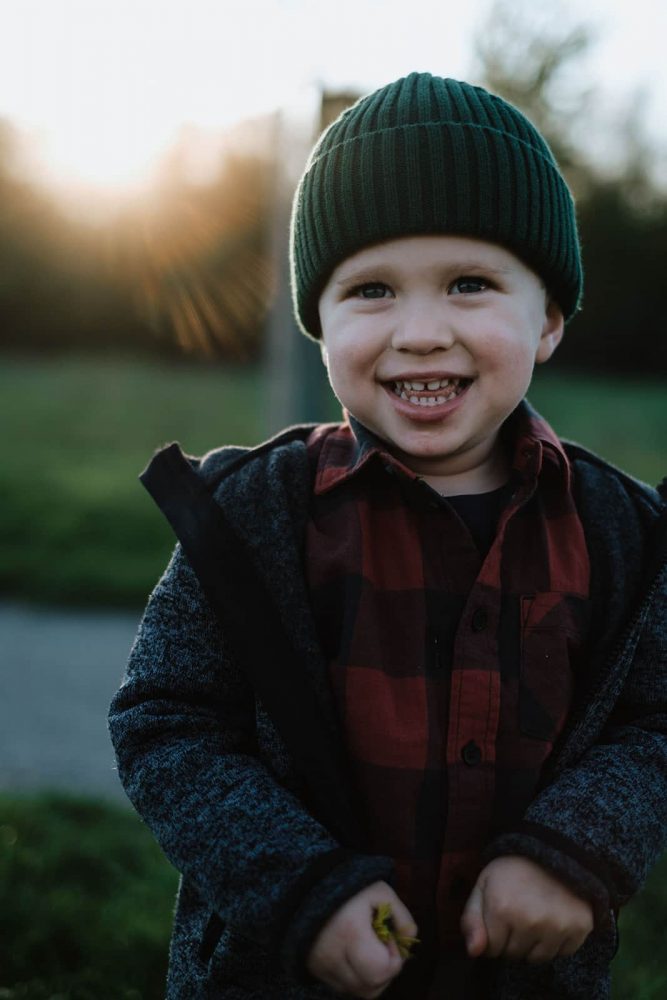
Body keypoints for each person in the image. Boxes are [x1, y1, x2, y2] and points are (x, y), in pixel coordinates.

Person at [108, 72, 667, 1000]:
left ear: (550, 320)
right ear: (317, 325)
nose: (418, 331)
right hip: (281, 972)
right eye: (369, 290)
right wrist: (298, 887)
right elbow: (166, 722)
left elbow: (654, 721)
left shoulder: (621, 535)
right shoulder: (249, 516)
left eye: (469, 284)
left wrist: (577, 850)